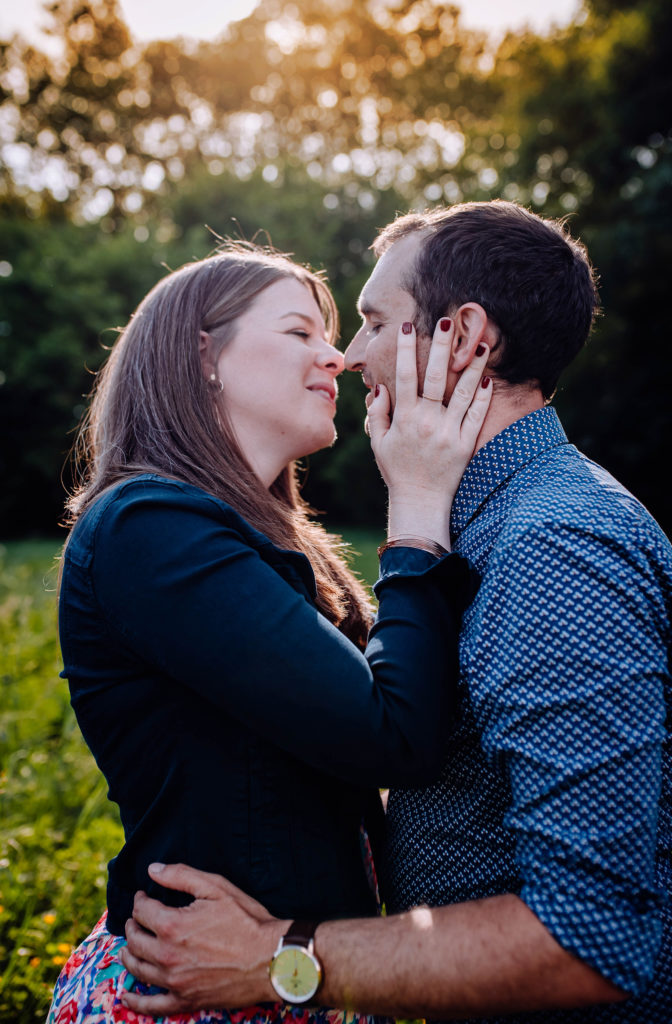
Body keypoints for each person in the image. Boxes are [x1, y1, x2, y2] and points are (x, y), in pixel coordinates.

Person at [119, 202, 671, 1023]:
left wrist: (278, 958)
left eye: (375, 322)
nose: (350, 355)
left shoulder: (551, 545)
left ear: (465, 337)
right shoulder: (488, 527)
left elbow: (589, 935)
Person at [48, 240, 494, 1024]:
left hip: (279, 978)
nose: (338, 358)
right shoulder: (149, 528)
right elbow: (393, 733)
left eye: (331, 337)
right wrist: (418, 502)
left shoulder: (259, 539)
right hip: (194, 997)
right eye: (300, 332)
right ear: (203, 356)